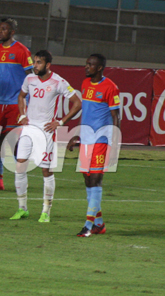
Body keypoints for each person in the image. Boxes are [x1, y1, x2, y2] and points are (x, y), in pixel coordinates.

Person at [11, 50, 82, 222]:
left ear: (47, 65)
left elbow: (78, 103)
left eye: (38, 63)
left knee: (46, 171)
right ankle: (22, 209)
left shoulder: (58, 82)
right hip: (28, 128)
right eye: (34, 62)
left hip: (46, 131)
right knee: (20, 167)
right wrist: (21, 115)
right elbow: (21, 96)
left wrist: (61, 122)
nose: (35, 65)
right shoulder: (29, 79)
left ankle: (46, 211)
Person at [67, 54, 120, 237]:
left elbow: (115, 117)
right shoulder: (85, 84)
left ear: (99, 68)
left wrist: (115, 144)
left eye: (90, 65)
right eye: (86, 64)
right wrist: (77, 135)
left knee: (96, 179)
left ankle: (88, 226)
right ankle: (99, 224)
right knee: (88, 180)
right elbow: (86, 114)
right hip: (86, 139)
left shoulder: (111, 87)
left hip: (101, 140)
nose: (86, 67)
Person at [0, 17, 33, 190]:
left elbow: (31, 77)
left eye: (3, 29)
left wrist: (27, 102)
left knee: (13, 141)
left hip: (15, 103)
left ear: (11, 32)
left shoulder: (22, 51)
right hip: (0, 103)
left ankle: (21, 179)